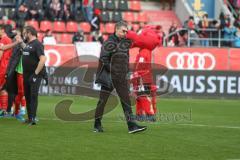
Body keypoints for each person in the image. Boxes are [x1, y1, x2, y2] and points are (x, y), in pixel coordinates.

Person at [94, 21, 147, 134]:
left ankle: (131, 126)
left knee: (126, 101)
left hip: (121, 77)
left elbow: (126, 59)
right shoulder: (109, 42)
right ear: (116, 29)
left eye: (126, 31)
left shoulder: (125, 43)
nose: (125, 33)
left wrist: (126, 72)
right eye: (123, 31)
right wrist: (114, 71)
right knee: (103, 102)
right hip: (109, 77)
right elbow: (104, 59)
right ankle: (97, 124)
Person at [21, 26, 47, 125]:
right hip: (26, 75)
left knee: (33, 95)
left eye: (25, 33)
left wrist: (36, 74)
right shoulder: (28, 44)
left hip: (34, 75)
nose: (24, 34)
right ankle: (30, 117)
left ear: (29, 33)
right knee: (27, 96)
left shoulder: (38, 44)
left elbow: (43, 59)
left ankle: (33, 118)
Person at [0, 25, 22, 117]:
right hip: (8, 67)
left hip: (2, 67)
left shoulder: (3, 40)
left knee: (3, 89)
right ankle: (7, 109)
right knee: (5, 89)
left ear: (2, 30)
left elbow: (0, 53)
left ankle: (4, 109)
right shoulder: (9, 40)